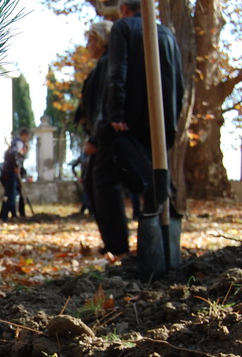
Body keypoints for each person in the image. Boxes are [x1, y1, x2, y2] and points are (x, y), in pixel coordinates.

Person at [90, 0, 183, 255]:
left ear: (123, 9)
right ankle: (155, 244)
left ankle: (119, 245)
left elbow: (117, 72)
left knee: (104, 178)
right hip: (158, 121)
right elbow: (180, 81)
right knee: (153, 176)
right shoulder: (166, 32)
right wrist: (171, 121)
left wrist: (117, 113)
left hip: (126, 123)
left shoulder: (123, 29)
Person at [74, 21, 112, 220]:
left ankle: (115, 243)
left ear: (99, 40)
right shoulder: (103, 65)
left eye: (89, 40)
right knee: (94, 183)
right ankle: (113, 241)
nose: (87, 45)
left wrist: (95, 139)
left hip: (103, 137)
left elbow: (101, 104)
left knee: (100, 183)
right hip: (100, 135)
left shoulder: (106, 65)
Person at [0, 127, 30, 222]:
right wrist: (16, 166)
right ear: (24, 135)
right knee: (11, 195)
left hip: (7, 171)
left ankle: (11, 215)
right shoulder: (18, 143)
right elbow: (13, 154)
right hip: (10, 172)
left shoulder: (16, 143)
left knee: (10, 194)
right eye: (27, 137)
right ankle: (5, 217)